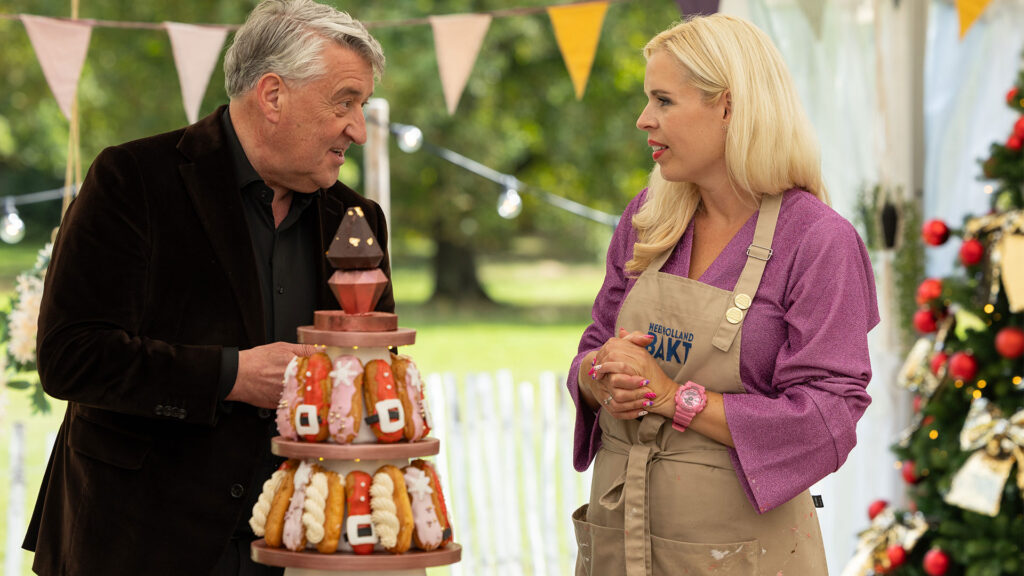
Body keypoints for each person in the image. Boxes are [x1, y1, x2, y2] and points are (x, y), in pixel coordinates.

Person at [23, 1, 392, 574]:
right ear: (273, 95)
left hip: (296, 551)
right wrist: (233, 377)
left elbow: (377, 369)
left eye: (361, 105)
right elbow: (71, 357)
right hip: (135, 545)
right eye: (344, 102)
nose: (359, 130)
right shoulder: (131, 180)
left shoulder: (357, 219)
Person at [567, 14, 878, 576]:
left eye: (664, 100)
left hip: (746, 556)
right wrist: (601, 374)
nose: (644, 119)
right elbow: (591, 345)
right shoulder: (646, 218)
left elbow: (829, 413)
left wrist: (673, 398)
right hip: (620, 538)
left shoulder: (817, 240)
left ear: (730, 107)